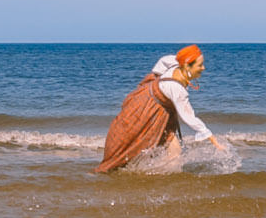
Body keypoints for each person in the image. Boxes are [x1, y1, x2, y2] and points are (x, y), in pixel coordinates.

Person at [94, 45, 227, 173]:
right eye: (200, 65)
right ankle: (108, 169)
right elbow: (190, 118)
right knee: (131, 141)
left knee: (175, 150)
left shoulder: (176, 63)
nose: (203, 68)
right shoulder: (177, 89)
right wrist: (214, 141)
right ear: (187, 66)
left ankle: (163, 179)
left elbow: (163, 61)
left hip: (156, 105)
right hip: (147, 110)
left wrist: (158, 76)